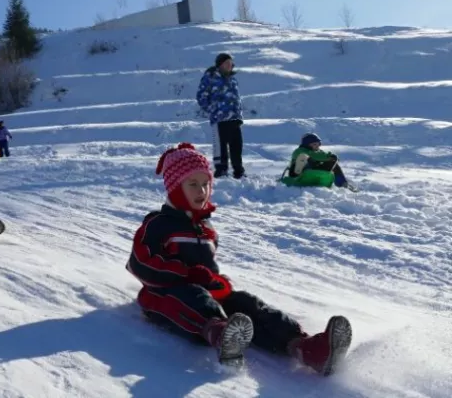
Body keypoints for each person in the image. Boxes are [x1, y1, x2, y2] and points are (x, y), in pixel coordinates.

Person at [126, 143, 352, 374]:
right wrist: (186, 274)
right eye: (192, 184)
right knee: (191, 296)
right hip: (162, 296)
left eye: (206, 184)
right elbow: (139, 263)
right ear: (174, 187)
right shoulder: (158, 224)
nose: (201, 191)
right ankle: (219, 333)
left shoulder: (206, 229)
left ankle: (305, 347)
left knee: (247, 303)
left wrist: (217, 281)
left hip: (207, 295)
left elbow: (208, 270)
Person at [196, 53, 245, 179]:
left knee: (237, 146)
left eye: (231, 63)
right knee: (220, 146)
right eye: (227, 63)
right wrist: (213, 109)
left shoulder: (233, 79)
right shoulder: (210, 77)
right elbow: (201, 96)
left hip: (235, 118)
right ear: (220, 64)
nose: (230, 65)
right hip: (220, 118)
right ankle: (221, 170)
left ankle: (238, 171)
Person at [282, 133, 357, 191]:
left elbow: (324, 156)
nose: (317, 146)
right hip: (300, 173)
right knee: (303, 157)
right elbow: (315, 156)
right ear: (307, 144)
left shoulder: (319, 152)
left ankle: (343, 184)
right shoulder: (299, 151)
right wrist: (327, 157)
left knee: (334, 163)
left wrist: (332, 158)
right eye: (314, 144)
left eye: (318, 144)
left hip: (314, 172)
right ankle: (296, 176)